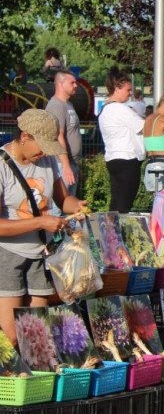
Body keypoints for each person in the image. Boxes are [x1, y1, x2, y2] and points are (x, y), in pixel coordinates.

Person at [0, 110, 87, 344]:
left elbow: (63, 200)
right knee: (11, 337)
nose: (45, 153)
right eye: (42, 146)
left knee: (36, 335)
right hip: (7, 257)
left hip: (41, 255)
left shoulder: (47, 161)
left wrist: (76, 206)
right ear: (25, 136)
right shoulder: (2, 166)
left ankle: (31, 378)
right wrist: (40, 222)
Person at [98, 68, 145, 213]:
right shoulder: (119, 109)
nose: (130, 93)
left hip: (114, 158)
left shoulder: (105, 109)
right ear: (117, 88)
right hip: (127, 159)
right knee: (124, 206)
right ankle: (117, 234)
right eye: (128, 90)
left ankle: (112, 234)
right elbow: (144, 127)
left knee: (116, 204)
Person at [45, 69, 82, 197]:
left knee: (70, 208)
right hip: (61, 165)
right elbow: (57, 136)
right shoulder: (56, 106)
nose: (76, 85)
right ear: (61, 84)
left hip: (71, 164)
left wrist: (74, 165)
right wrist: (66, 166)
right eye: (72, 83)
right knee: (61, 206)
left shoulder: (68, 104)